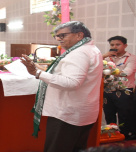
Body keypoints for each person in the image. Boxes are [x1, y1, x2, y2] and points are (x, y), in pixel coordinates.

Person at [21, 21, 103, 152]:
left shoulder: (79, 53)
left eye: (63, 35)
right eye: (57, 36)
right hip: (82, 112)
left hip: (67, 114)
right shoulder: (91, 49)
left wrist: (37, 73)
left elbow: (72, 82)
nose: (59, 39)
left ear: (79, 35)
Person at [102, 36, 136, 139]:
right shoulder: (106, 58)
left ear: (125, 45)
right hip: (107, 91)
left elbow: (126, 73)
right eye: (112, 45)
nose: (114, 47)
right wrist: (103, 56)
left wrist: (107, 71)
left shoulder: (131, 58)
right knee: (109, 115)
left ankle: (126, 137)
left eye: (118, 44)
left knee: (125, 116)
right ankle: (112, 136)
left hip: (124, 91)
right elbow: (93, 68)